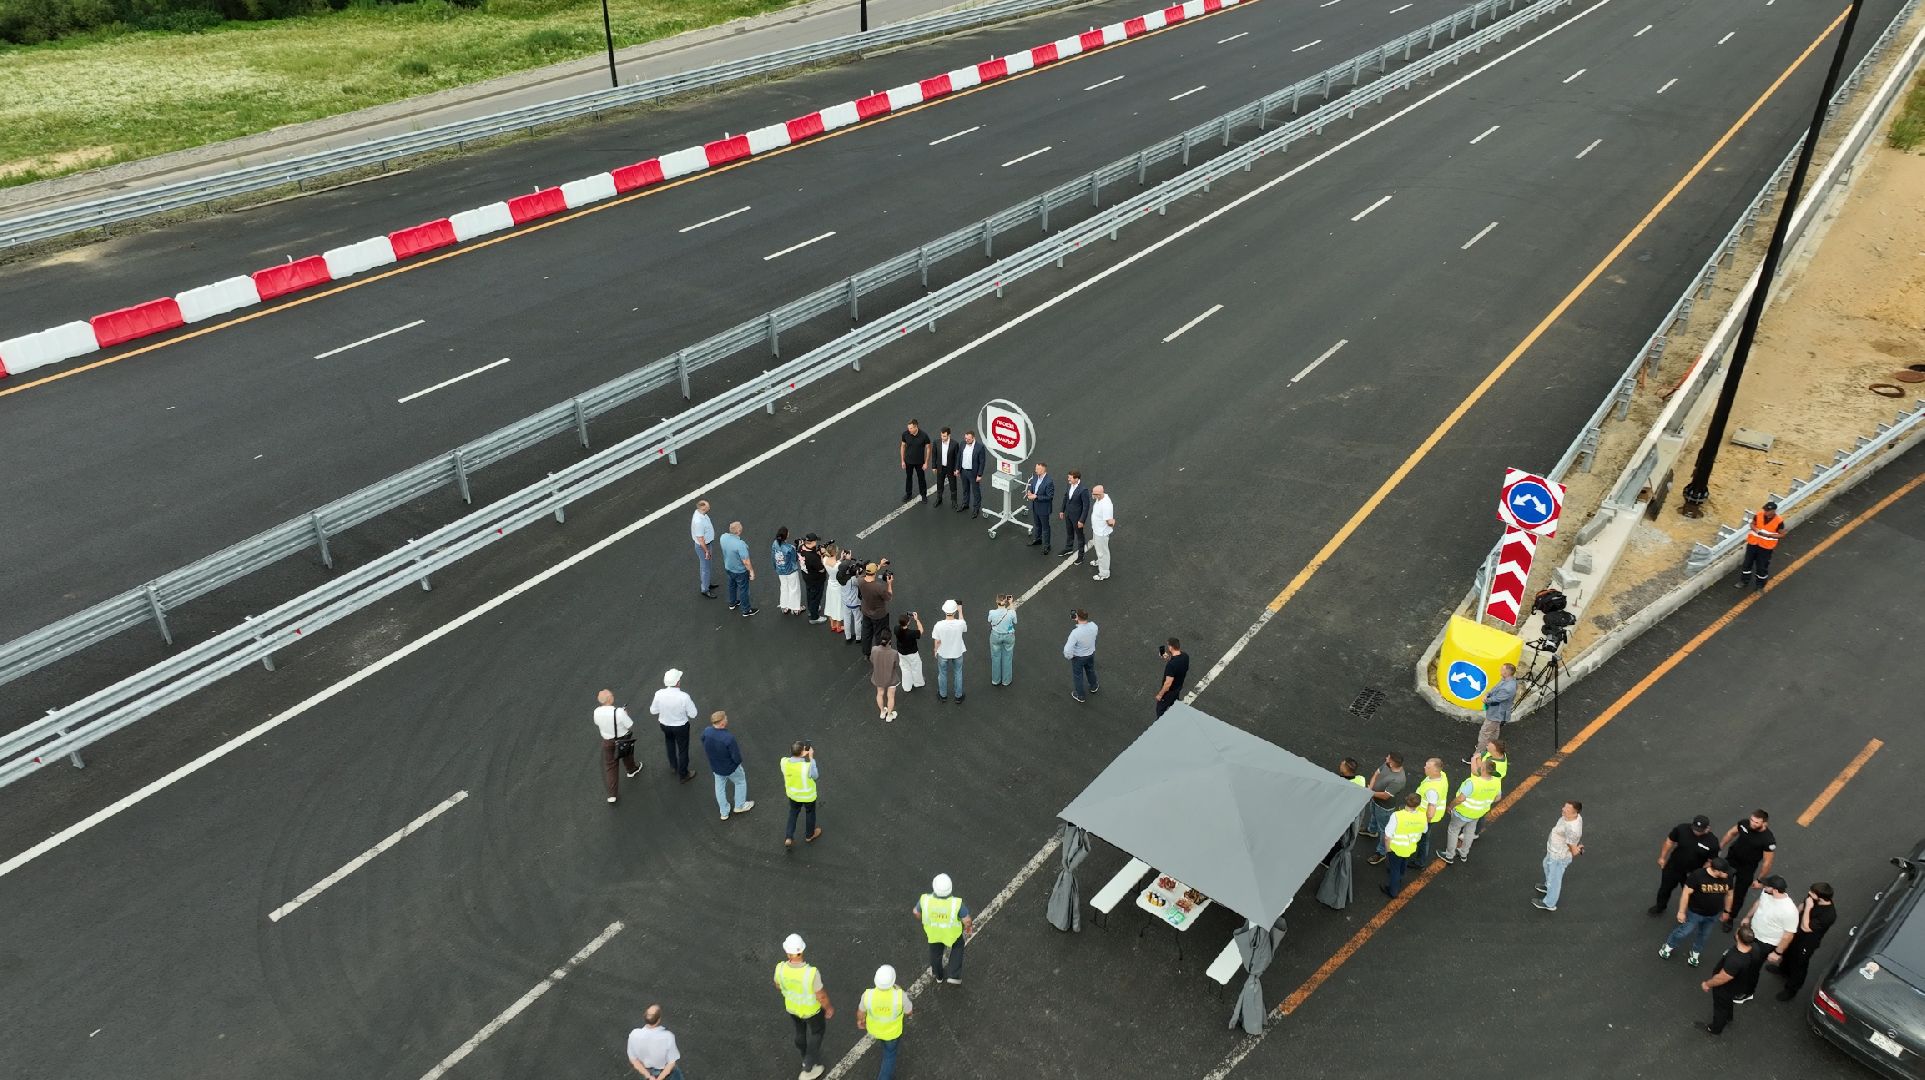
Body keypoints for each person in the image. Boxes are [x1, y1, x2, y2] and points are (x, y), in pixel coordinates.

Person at [774, 934, 833, 1080]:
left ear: (788, 953)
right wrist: (828, 1007)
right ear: (802, 950)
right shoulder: (811, 973)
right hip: (811, 1011)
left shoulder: (780, 968)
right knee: (817, 1032)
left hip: (793, 1009)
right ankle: (809, 1061)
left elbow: (778, 986)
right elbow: (821, 996)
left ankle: (803, 1054)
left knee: (800, 1031)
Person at [1661, 858, 1735, 967]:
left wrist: (1727, 911)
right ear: (1716, 871)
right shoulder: (1698, 876)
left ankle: (1695, 952)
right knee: (1684, 932)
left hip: (1713, 915)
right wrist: (1681, 912)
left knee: (1704, 936)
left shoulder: (1727, 877)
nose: (1728, 874)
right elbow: (1686, 893)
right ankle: (1669, 945)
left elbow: (1730, 894)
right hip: (1695, 913)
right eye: (1725, 872)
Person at [1739, 876, 1800, 1001]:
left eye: (1767, 886)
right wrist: (1747, 917)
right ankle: (1741, 980)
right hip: (1753, 934)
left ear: (1775, 890)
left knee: (1753, 967)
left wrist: (1777, 952)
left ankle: (1748, 992)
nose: (1763, 887)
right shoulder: (1766, 893)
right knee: (1746, 959)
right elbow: (1758, 904)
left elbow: (1789, 934)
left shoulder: (1789, 910)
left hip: (1766, 943)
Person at [1773, 882, 1836, 1000]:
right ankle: (1783, 970)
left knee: (1799, 964)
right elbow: (1801, 907)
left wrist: (1809, 907)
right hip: (1795, 934)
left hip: (1807, 943)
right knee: (1788, 952)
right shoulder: (1811, 898)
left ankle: (1791, 989)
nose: (1809, 893)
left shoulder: (1829, 915)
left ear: (1821, 897)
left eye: (1812, 893)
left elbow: (1806, 927)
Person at [1719, 810, 1778, 934]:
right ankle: (1718, 903)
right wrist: (1720, 847)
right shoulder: (1744, 824)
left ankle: (1730, 917)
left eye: (1756, 822)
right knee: (1720, 882)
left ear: (1764, 823)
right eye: (1752, 820)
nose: (1752, 823)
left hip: (1747, 868)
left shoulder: (1768, 840)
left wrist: (1760, 880)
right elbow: (1731, 833)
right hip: (1732, 860)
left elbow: (1767, 862)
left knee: (1739, 894)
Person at [1650, 815, 1722, 915]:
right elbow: (1669, 841)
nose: (1696, 832)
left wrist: (1700, 874)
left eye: (1700, 830)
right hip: (1673, 867)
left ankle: (1690, 912)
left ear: (1707, 828)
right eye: (1695, 829)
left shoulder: (1712, 842)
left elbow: (1710, 861)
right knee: (1665, 889)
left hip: (1692, 873)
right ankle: (1660, 906)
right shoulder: (1682, 829)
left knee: (1692, 894)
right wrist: (1662, 857)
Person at [914, 873, 974, 984]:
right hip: (952, 934)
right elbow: (967, 920)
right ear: (950, 888)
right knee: (958, 947)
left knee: (935, 954)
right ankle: (953, 975)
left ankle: (938, 976)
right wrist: (968, 928)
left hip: (934, 934)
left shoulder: (925, 900)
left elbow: (916, 912)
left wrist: (924, 919)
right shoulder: (956, 903)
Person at [1439, 755, 1500, 864]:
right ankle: (1463, 853)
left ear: (1483, 769)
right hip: (1478, 813)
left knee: (1453, 831)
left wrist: (1450, 806)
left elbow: (1460, 799)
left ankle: (1449, 855)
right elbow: (1497, 798)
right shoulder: (1496, 781)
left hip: (1462, 812)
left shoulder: (1472, 782)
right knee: (1469, 832)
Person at [1700, 926, 1756, 1035]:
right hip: (1739, 984)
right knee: (1728, 1002)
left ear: (1737, 937)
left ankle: (1715, 1028)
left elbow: (1723, 977)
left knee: (1720, 1008)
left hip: (1725, 988)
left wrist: (1707, 984)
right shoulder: (1754, 949)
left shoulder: (1735, 960)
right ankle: (1729, 1017)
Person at [858, 965, 911, 1080]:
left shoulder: (867, 995)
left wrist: (860, 1020)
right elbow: (909, 1011)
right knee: (889, 1055)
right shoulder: (899, 996)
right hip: (892, 1033)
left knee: (884, 1044)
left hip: (875, 1030)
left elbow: (861, 1012)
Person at [649, 668, 699, 783]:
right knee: (683, 749)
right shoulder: (684, 697)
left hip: (665, 725)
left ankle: (673, 766)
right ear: (677, 682)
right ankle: (683, 774)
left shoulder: (659, 694)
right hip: (681, 726)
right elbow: (694, 714)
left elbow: (653, 711)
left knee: (669, 742)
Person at [701, 711, 753, 821]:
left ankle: (724, 812)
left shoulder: (706, 731)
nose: (727, 719)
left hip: (716, 767)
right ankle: (739, 805)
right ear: (722, 723)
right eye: (726, 718)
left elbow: (703, 740)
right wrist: (737, 764)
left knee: (719, 788)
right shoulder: (728, 738)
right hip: (730, 768)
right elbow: (736, 757)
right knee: (740, 782)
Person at [1534, 800, 1585, 912]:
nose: (1563, 809)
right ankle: (1548, 886)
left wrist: (1577, 848)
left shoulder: (1571, 829)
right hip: (1553, 852)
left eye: (1567, 809)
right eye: (1564, 807)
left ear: (1574, 813)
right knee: (1546, 865)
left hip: (1558, 857)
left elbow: (1574, 850)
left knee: (1555, 880)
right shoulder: (1572, 817)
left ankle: (1549, 903)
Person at [593, 689, 640, 804]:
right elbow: (629, 724)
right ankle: (631, 770)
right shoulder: (618, 712)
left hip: (607, 741)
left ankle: (612, 795)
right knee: (627, 755)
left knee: (611, 767)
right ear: (610, 699)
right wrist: (625, 714)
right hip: (622, 739)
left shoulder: (596, 712)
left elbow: (597, 723)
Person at [1379, 793, 1427, 899]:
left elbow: (1387, 836)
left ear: (1406, 801)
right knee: (1403, 864)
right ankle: (1400, 877)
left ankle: (1393, 891)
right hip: (1410, 847)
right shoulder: (1422, 815)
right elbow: (1424, 830)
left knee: (1394, 869)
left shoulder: (1397, 815)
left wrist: (1388, 850)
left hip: (1396, 848)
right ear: (1418, 805)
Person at [1468, 663, 1516, 761]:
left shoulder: (1508, 688)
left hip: (1496, 714)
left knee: (1485, 733)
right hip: (1496, 713)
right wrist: (1487, 694)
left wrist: (1486, 700)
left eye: (1502, 669)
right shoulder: (1507, 680)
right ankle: (1490, 748)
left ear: (1506, 672)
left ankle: (1478, 755)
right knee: (1494, 731)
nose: (1500, 670)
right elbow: (1495, 688)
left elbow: (1498, 698)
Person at [626, 1003, 684, 1080]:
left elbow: (634, 1060)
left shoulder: (634, 1034)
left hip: (646, 1071)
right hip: (665, 1071)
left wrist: (649, 1076)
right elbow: (671, 1063)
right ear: (659, 1019)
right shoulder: (668, 1037)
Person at [1736, 500, 1786, 588]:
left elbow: (1782, 535)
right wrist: (1755, 529)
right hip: (1753, 544)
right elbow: (1752, 524)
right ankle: (1744, 581)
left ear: (1773, 511)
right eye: (1765, 509)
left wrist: (1769, 535)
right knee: (1747, 563)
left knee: (1761, 566)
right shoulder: (1759, 515)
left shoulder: (1779, 521)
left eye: (1767, 510)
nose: (1765, 511)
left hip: (1765, 548)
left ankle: (1760, 584)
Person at [781, 742, 821, 848]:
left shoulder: (784, 762)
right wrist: (811, 758)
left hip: (793, 795)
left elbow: (790, 760)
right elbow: (816, 776)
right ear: (803, 752)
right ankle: (809, 835)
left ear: (791, 752)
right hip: (808, 796)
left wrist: (801, 754)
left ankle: (789, 837)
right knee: (810, 813)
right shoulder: (807, 766)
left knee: (793, 813)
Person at [1411, 758, 1449, 865]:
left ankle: (1420, 862)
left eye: (1428, 767)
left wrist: (1425, 823)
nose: (1424, 767)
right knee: (1424, 838)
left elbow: (1431, 812)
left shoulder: (1432, 790)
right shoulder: (1442, 776)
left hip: (1426, 818)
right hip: (1431, 816)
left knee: (1423, 839)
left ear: (1435, 771)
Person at [1361, 752, 1407, 841]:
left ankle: (1382, 851)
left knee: (1384, 829)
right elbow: (1376, 774)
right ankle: (1372, 831)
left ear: (1392, 763)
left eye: (1388, 758)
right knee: (1374, 815)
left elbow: (1385, 796)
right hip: (1375, 799)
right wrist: (1370, 788)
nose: (1386, 758)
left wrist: (1370, 793)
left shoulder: (1398, 780)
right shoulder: (1387, 765)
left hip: (1384, 808)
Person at [931, 600, 968, 703]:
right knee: (958, 673)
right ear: (955, 611)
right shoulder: (960, 623)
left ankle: (943, 695)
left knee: (942, 673)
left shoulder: (938, 625)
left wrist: (935, 650)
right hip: (957, 652)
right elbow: (964, 627)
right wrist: (960, 611)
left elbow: (937, 641)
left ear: (944, 611)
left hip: (943, 653)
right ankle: (958, 696)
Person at [719, 521, 757, 616]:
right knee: (743, 590)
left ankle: (732, 603)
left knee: (731, 585)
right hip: (740, 571)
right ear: (739, 531)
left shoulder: (723, 537)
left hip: (728, 567)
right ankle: (746, 610)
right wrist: (751, 571)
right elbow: (746, 561)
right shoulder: (740, 544)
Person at [1063, 608, 1099, 703]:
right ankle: (1093, 686)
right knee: (1090, 670)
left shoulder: (1075, 633)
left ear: (1077, 617)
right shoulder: (1094, 626)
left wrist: (1071, 657)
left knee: (1078, 676)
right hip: (1090, 654)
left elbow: (1067, 650)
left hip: (1078, 658)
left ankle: (1080, 695)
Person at [858, 561, 894, 652]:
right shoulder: (878, 587)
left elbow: (870, 571)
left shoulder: (860, 580)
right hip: (879, 615)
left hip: (866, 612)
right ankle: (880, 652)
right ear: (875, 573)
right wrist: (889, 583)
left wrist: (880, 565)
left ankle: (866, 653)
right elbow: (889, 597)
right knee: (879, 634)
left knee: (866, 633)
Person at [986, 594, 1018, 686]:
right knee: (1007, 657)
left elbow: (989, 620)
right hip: (1008, 636)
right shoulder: (1011, 613)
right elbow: (1015, 621)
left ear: (996, 601)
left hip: (995, 636)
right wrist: (1011, 604)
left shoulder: (992, 612)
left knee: (995, 657)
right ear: (1006, 601)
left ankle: (995, 680)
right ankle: (1006, 681)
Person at [1058, 469, 1091, 561]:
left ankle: (1081, 555)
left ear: (1076, 479)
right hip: (1068, 515)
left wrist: (1082, 520)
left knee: (1080, 536)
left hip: (1077, 518)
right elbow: (1066, 498)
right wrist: (1062, 510)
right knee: (1069, 532)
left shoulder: (1083, 490)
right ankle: (1069, 548)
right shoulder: (1070, 485)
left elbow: (1086, 506)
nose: (1068, 479)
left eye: (1070, 478)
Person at [1025, 462, 1056, 552]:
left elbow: (1050, 497)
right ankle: (1038, 539)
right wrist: (1030, 492)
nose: (1035, 470)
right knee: (1037, 525)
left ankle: (1047, 545)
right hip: (1036, 506)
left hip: (1043, 509)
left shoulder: (1049, 481)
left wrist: (1036, 496)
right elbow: (1033, 487)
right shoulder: (1035, 477)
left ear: (1043, 470)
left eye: (1037, 469)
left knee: (1045, 527)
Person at [1153, 638, 1189, 717]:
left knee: (1160, 710)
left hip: (1169, 692)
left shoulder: (1171, 666)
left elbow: (1168, 684)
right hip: (1178, 687)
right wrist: (1168, 658)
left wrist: (1160, 695)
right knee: (1175, 704)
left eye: (1168, 646)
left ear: (1171, 647)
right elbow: (1177, 664)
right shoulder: (1185, 656)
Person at [799, 534, 830, 624]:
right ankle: (814, 617)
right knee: (816, 597)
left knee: (810, 594)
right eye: (815, 541)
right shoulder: (812, 558)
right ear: (812, 542)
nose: (816, 543)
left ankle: (812, 610)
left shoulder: (801, 548)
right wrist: (822, 555)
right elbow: (821, 569)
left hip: (807, 577)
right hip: (816, 580)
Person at [772, 527, 803, 616]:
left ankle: (784, 607)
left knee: (784, 588)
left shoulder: (774, 544)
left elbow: (773, 557)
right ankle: (796, 609)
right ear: (786, 535)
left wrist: (776, 567)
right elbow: (795, 559)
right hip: (790, 571)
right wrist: (798, 548)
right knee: (794, 589)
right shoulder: (789, 548)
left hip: (780, 571)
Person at [900, 420, 932, 504]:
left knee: (921, 478)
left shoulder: (924, 436)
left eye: (910, 428)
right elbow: (903, 446)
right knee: (908, 477)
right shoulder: (905, 434)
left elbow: (928, 448)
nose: (909, 430)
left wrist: (926, 462)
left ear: (916, 427)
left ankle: (923, 495)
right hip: (908, 461)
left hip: (919, 462)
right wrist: (902, 460)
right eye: (908, 428)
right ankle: (908, 494)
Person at [690, 500, 717, 598]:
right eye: (708, 506)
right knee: (705, 568)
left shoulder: (699, 513)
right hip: (703, 547)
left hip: (706, 544)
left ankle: (707, 583)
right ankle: (705, 589)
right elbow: (700, 539)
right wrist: (706, 551)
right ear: (703, 508)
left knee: (707, 566)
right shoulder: (699, 522)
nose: (709, 507)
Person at [870, 634, 899, 723]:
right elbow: (896, 665)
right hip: (891, 678)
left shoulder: (874, 649)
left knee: (880, 693)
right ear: (890, 641)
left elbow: (871, 659)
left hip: (879, 676)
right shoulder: (894, 653)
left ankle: (882, 712)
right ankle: (889, 715)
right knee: (891, 696)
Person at [1089, 484, 1116, 580]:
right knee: (1098, 549)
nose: (1092, 495)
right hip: (1097, 530)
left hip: (1101, 533)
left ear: (1099, 494)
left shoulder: (1106, 505)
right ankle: (1100, 562)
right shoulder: (1100, 498)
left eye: (1094, 494)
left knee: (1103, 553)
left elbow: (1110, 522)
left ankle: (1104, 573)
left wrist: (1113, 522)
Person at [894, 613, 926, 694]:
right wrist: (917, 620)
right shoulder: (911, 633)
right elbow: (921, 630)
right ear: (908, 623)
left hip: (901, 653)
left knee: (905, 669)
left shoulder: (896, 629)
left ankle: (907, 687)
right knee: (916, 667)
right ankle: (918, 683)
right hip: (912, 654)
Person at [957, 430, 985, 517]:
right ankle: (965, 504)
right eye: (965, 438)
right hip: (963, 471)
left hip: (973, 473)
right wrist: (957, 469)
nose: (966, 440)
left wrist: (979, 475)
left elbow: (982, 462)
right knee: (965, 489)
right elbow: (959, 457)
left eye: (968, 439)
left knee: (975, 491)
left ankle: (976, 509)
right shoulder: (962, 444)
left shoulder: (979, 447)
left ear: (973, 438)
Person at [932, 426, 962, 509]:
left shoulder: (955, 444)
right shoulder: (936, 442)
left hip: (950, 468)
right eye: (941, 435)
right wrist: (934, 466)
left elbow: (957, 458)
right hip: (940, 468)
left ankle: (954, 501)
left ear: (949, 435)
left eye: (944, 436)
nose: (942, 438)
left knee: (953, 485)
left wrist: (956, 469)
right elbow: (934, 455)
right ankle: (939, 499)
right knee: (939, 484)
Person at [837, 549, 862, 642]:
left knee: (847, 619)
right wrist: (857, 573)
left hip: (845, 601)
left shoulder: (839, 576)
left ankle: (848, 636)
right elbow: (859, 582)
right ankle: (858, 637)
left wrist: (844, 560)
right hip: (854, 602)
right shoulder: (852, 580)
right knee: (857, 619)